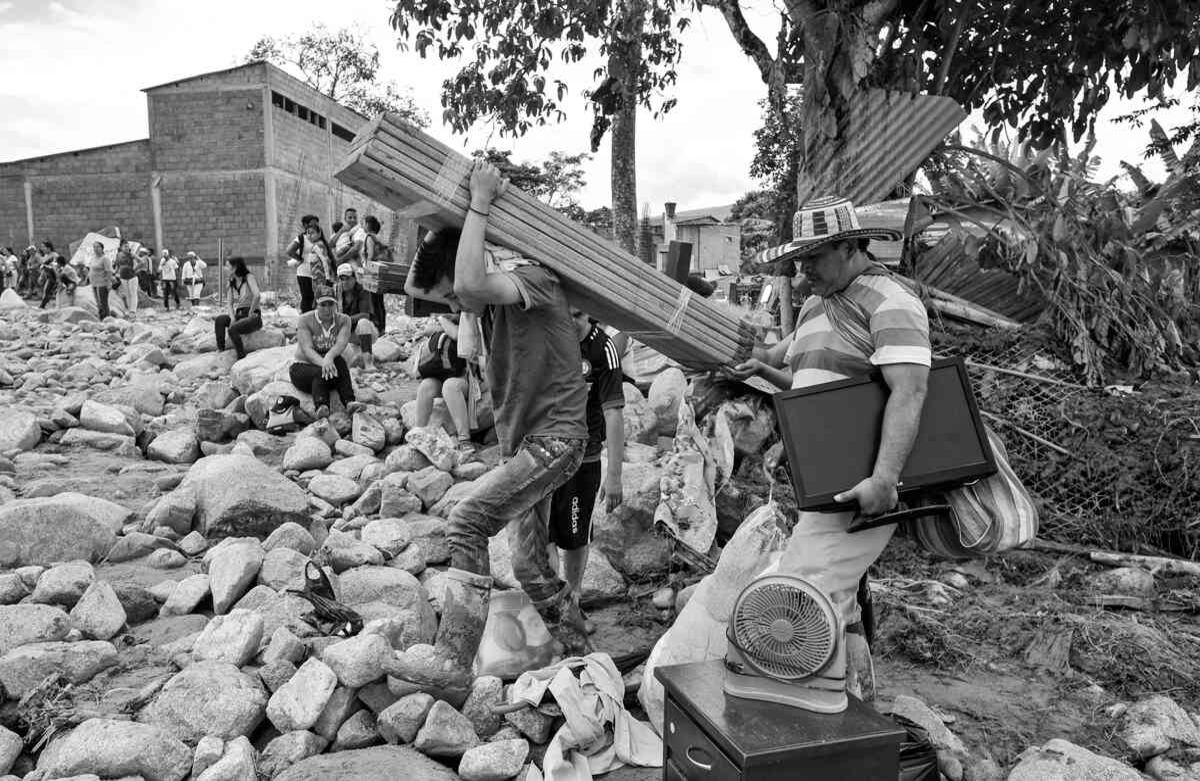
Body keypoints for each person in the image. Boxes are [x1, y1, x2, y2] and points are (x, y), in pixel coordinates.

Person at [391, 160, 590, 702]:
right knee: (527, 563)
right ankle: (581, 651)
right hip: (526, 444)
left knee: (466, 521)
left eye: (455, 298)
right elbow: (419, 285)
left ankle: (454, 659)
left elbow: (469, 282)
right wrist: (444, 221)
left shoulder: (534, 281)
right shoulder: (485, 304)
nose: (457, 305)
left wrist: (478, 202)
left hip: (556, 440)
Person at [728, 195, 930, 701]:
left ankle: (808, 707)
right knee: (837, 597)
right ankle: (853, 700)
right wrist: (764, 376)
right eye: (799, 261)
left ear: (848, 247)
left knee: (799, 596)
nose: (803, 273)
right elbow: (804, 379)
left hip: (860, 483)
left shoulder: (891, 302)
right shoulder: (818, 305)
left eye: (813, 258)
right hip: (818, 481)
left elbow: (910, 393)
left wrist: (884, 480)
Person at [546, 309, 625, 614]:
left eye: (578, 315)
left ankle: (573, 600)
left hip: (583, 457)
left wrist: (615, 475)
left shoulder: (602, 348)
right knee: (543, 535)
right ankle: (554, 605)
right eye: (564, 314)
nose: (571, 321)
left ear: (591, 313)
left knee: (575, 537)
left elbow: (613, 412)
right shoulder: (546, 337)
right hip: (543, 455)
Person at [289, 285, 356, 418]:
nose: (327, 309)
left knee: (339, 361)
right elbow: (307, 349)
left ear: (335, 304)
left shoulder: (344, 320)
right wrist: (324, 363)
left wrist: (329, 357)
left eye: (330, 304)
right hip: (303, 367)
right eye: (323, 305)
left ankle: (350, 402)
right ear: (316, 304)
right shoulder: (305, 320)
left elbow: (341, 343)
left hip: (329, 371)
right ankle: (321, 406)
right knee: (320, 372)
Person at [214, 256, 263, 359]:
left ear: (235, 267)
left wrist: (251, 312)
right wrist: (232, 318)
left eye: (227, 266)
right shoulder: (231, 282)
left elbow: (257, 295)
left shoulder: (249, 277)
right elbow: (229, 303)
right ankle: (221, 349)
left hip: (253, 316)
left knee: (233, 329)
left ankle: (241, 356)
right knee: (220, 320)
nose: (225, 269)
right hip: (240, 315)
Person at [335, 263, 378, 371]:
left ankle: (368, 363)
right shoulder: (336, 292)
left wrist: (345, 319)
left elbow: (365, 315)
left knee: (363, 322)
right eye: (342, 279)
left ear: (354, 278)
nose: (345, 282)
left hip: (365, 332)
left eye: (348, 278)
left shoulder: (363, 290)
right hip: (347, 334)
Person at [360, 214, 389, 336]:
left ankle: (378, 327)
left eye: (363, 223)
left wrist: (365, 268)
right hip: (380, 271)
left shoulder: (369, 237)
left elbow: (370, 255)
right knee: (379, 301)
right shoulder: (378, 238)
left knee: (373, 301)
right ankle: (382, 327)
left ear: (367, 224)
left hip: (372, 273)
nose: (362, 225)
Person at [286, 215, 321, 312]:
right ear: (305, 225)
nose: (315, 226)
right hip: (304, 273)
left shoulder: (319, 237)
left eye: (316, 224)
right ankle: (305, 318)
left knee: (316, 298)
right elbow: (289, 251)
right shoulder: (301, 238)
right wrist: (300, 259)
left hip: (318, 274)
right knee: (307, 298)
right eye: (312, 224)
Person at [86, 241, 116, 319]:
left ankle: (108, 318)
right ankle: (101, 318)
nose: (96, 249)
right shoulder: (93, 258)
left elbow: (109, 271)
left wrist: (109, 283)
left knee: (103, 302)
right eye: (94, 247)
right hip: (94, 283)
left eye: (98, 247)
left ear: (102, 248)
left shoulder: (105, 258)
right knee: (98, 303)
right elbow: (91, 269)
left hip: (102, 283)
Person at [115, 240, 138, 315]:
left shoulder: (131, 254)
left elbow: (141, 261)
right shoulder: (118, 255)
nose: (127, 248)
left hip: (132, 277)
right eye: (125, 246)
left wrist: (135, 268)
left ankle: (133, 311)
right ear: (121, 247)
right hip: (123, 277)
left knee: (133, 294)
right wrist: (114, 273)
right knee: (127, 294)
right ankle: (129, 309)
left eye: (128, 246)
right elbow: (117, 265)